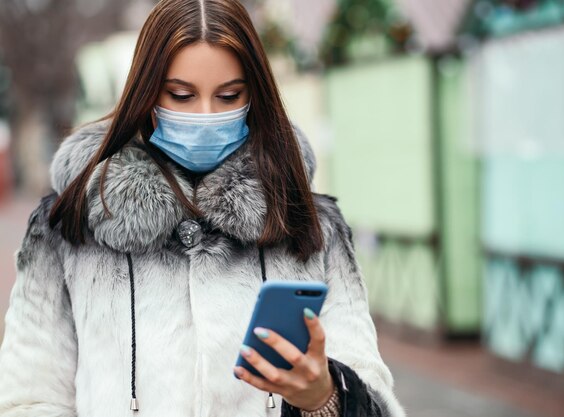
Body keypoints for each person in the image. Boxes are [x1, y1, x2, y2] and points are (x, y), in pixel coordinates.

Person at [0, 1, 406, 416]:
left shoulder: (308, 224)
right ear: (146, 93)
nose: (206, 115)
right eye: (181, 94)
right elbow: (28, 397)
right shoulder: (70, 226)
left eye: (229, 95)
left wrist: (326, 398)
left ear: (255, 95)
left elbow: (378, 399)